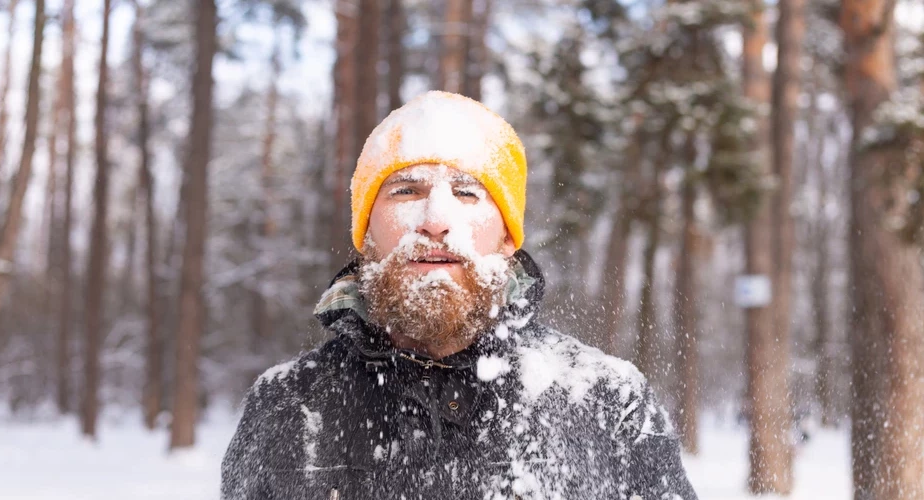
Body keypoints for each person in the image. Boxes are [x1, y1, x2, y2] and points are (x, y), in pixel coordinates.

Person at [221, 91, 698, 500]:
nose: (435, 219)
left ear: (509, 237)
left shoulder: (608, 401)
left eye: (468, 193)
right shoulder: (286, 403)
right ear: (366, 234)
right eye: (406, 190)